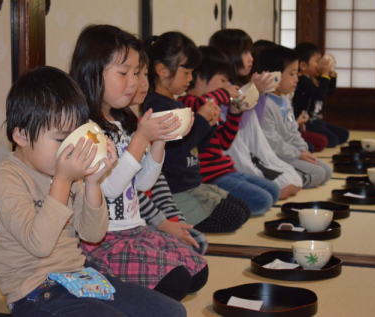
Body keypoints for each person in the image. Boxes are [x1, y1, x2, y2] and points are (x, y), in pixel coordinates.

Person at [0, 66, 186, 317]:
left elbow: (92, 233)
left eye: (74, 138)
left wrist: (92, 183)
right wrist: (63, 181)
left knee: (172, 312)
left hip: (81, 277)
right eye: (60, 140)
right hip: (35, 292)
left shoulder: (67, 171)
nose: (70, 148)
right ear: (21, 135)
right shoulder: (6, 178)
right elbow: (40, 245)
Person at [69, 25, 207, 302]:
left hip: (135, 229)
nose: (133, 82)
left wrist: (159, 141)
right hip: (101, 239)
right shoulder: (85, 128)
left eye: (136, 73)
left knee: (197, 270)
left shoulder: (123, 122)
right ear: (93, 71)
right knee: (176, 282)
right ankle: (95, 278)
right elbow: (109, 188)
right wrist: (141, 138)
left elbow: (143, 182)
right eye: (124, 73)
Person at [143, 31, 251, 233]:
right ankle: (172, 221)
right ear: (162, 70)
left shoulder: (178, 103)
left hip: (194, 183)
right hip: (176, 190)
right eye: (186, 73)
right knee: (233, 216)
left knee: (243, 208)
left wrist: (210, 123)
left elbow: (198, 146)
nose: (190, 79)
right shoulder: (156, 106)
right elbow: (172, 154)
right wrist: (201, 121)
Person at [178, 45, 280, 216]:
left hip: (225, 170)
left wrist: (234, 114)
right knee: (263, 200)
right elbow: (200, 105)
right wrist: (224, 93)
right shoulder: (188, 102)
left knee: (273, 190)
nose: (228, 85)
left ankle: (230, 206)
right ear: (201, 78)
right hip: (209, 177)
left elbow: (224, 143)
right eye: (223, 80)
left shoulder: (212, 105)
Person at [209, 29, 302, 199]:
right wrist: (254, 92)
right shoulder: (222, 88)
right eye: (245, 52)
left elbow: (254, 124)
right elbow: (238, 127)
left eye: (250, 52)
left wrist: (259, 93)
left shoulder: (242, 84)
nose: (251, 58)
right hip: (231, 153)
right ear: (229, 54)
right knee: (274, 189)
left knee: (293, 179)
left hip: (249, 148)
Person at [132, 52, 208, 255]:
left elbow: (156, 181)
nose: (141, 82)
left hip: (165, 203)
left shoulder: (138, 122)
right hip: (136, 222)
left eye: (142, 73)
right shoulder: (154, 112)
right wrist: (163, 223)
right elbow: (128, 189)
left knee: (196, 245)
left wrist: (176, 221)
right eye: (128, 73)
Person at [252, 44, 332, 188]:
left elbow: (293, 132)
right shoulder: (264, 103)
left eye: (297, 74)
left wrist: (303, 150)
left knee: (327, 170)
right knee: (318, 174)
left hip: (290, 154)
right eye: (292, 74)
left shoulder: (284, 100)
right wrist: (297, 154)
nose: (296, 79)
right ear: (274, 75)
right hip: (275, 157)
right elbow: (272, 142)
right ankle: (280, 181)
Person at [292, 42, 349, 148]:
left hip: (315, 121)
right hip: (305, 123)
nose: (320, 64)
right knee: (332, 140)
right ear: (303, 65)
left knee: (344, 134)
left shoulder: (314, 78)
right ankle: (301, 137)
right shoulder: (302, 79)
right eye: (317, 61)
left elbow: (328, 92)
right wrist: (325, 74)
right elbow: (320, 95)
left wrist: (331, 73)